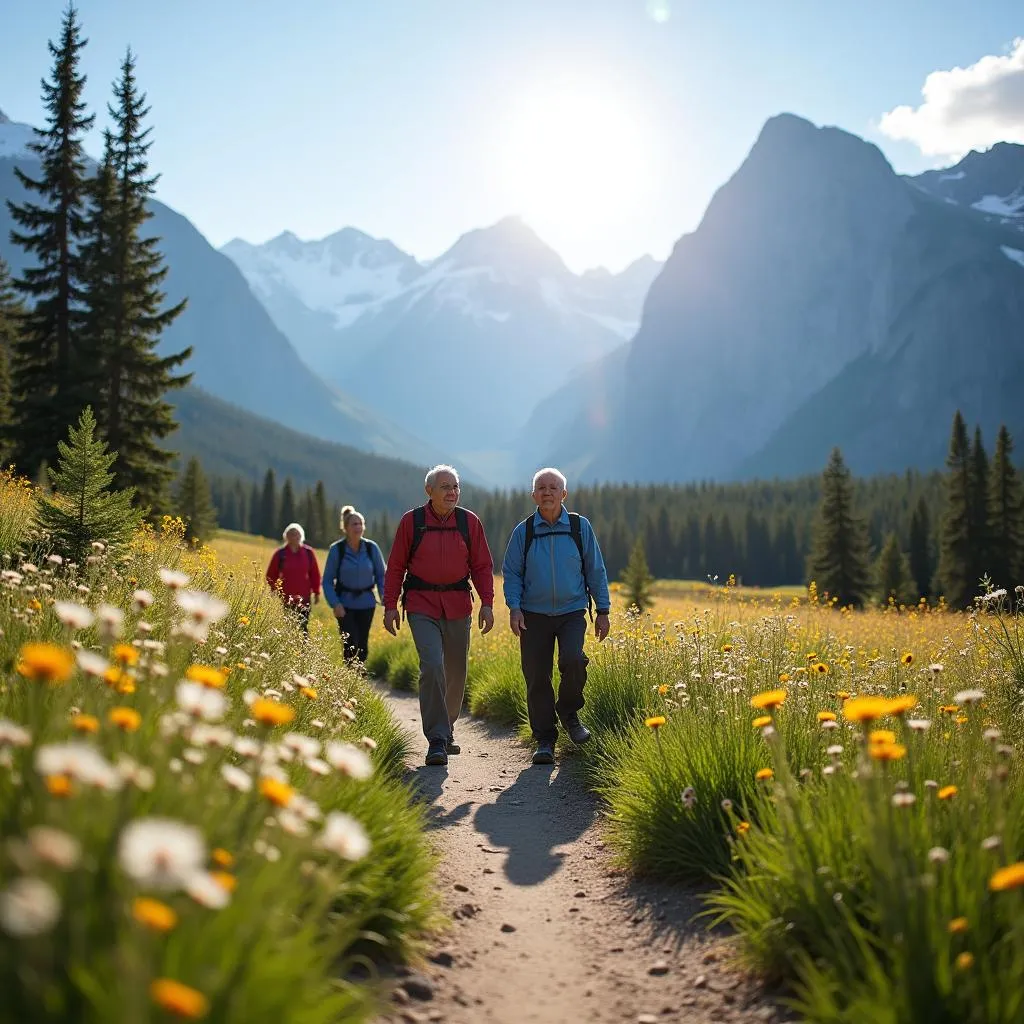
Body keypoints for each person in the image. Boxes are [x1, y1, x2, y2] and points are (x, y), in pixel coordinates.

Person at [383, 464, 495, 766]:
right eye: (445, 486)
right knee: (432, 665)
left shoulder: (468, 522)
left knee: (456, 671)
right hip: (421, 604)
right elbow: (396, 566)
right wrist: (390, 605)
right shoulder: (412, 522)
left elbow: (483, 566)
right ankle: (436, 739)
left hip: (459, 604)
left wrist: (487, 602)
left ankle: (447, 728)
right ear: (428, 491)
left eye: (456, 486)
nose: (452, 492)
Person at [501, 467, 611, 765]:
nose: (547, 492)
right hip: (532, 615)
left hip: (572, 611)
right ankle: (545, 740)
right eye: (541, 487)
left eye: (553, 487)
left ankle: (569, 712)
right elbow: (511, 573)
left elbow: (595, 570)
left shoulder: (579, 527)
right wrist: (514, 607)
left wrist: (603, 610)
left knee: (573, 660)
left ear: (564, 494)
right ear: (533, 495)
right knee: (537, 676)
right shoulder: (524, 531)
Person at [322, 505, 386, 663]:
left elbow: (381, 575)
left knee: (362, 645)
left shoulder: (372, 548)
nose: (358, 527)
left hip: (367, 604)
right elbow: (327, 581)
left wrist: (384, 595)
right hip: (344, 605)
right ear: (345, 528)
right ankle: (350, 679)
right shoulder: (337, 550)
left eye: (360, 524)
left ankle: (358, 679)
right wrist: (335, 604)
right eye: (354, 524)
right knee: (350, 644)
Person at [265, 522, 321, 633]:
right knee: (288, 628)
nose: (295, 536)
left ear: (301, 536)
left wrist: (317, 592)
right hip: (286, 598)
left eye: (297, 534)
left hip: (305, 597)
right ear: (286, 536)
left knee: (303, 627)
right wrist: (273, 589)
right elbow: (271, 574)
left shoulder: (308, 553)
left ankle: (302, 650)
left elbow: (315, 574)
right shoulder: (280, 554)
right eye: (291, 534)